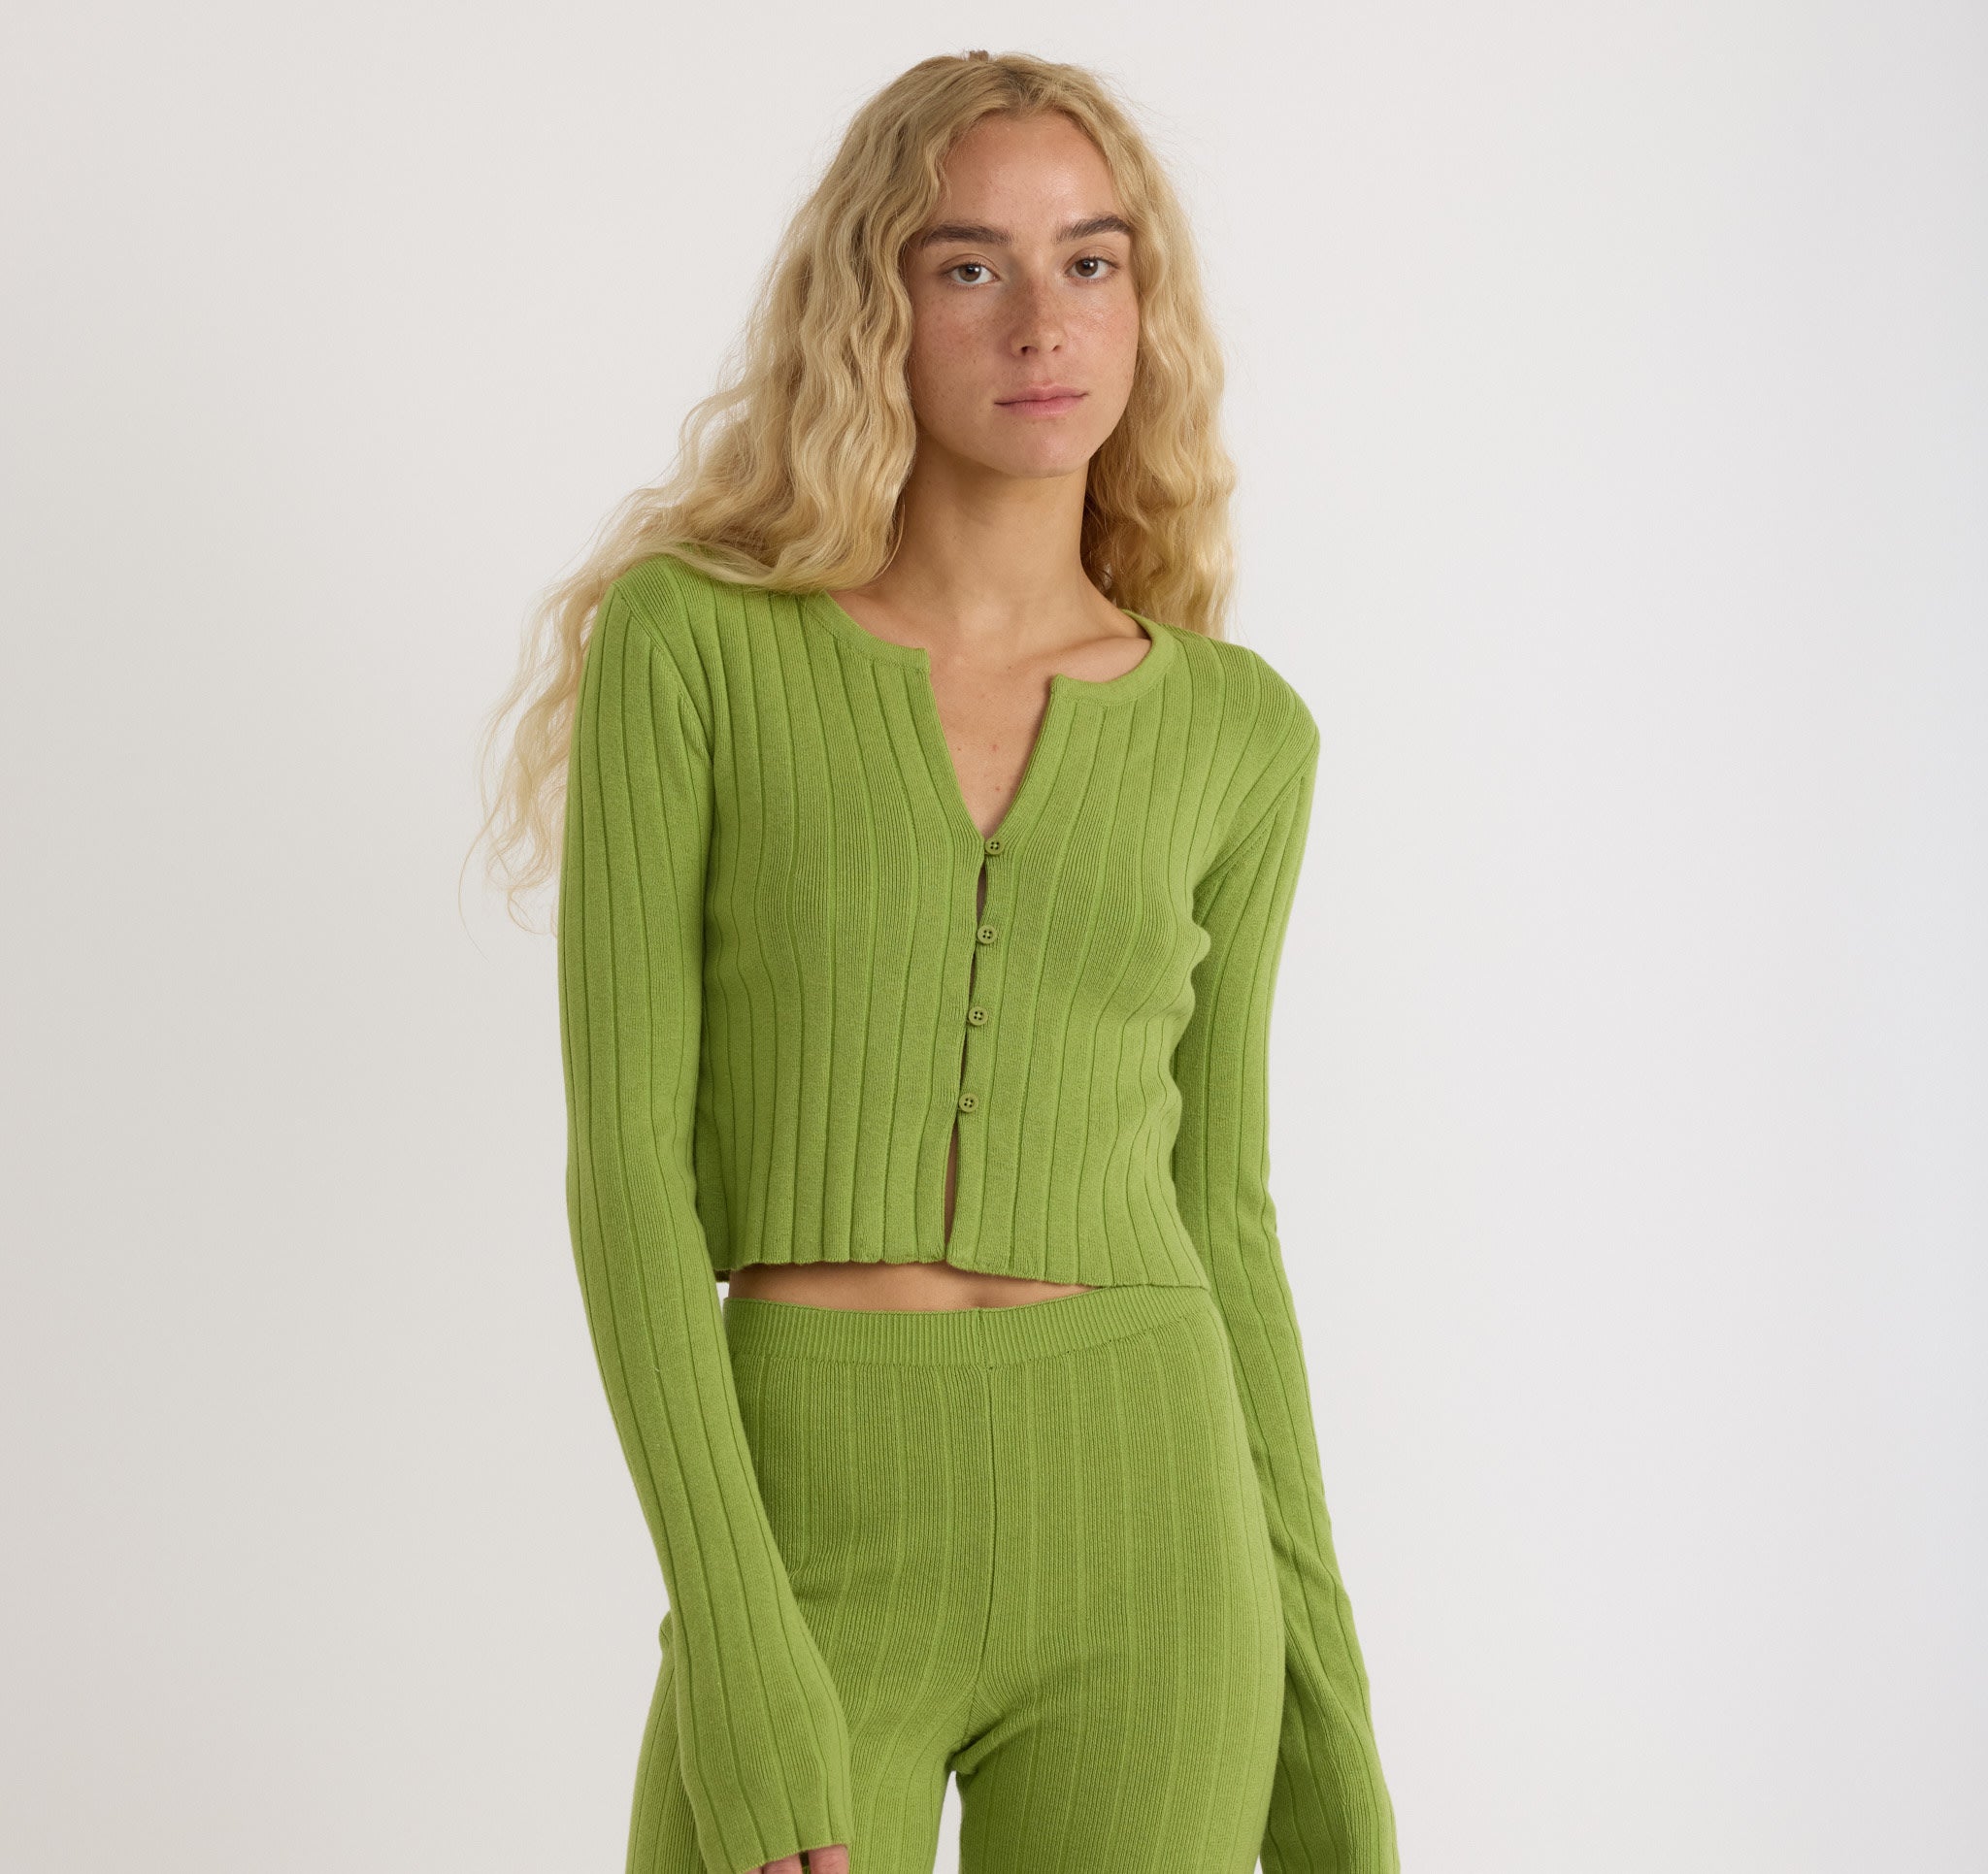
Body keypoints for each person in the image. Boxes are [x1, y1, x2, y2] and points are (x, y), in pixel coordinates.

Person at [478, 48, 1399, 1874]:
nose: (1041, 321)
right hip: (817, 1516)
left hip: (1152, 1519)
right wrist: (737, 1658)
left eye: (1091, 261)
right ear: (872, 308)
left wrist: (1330, 1745)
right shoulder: (695, 647)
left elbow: (1225, 1222)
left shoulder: (1242, 734)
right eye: (969, 263)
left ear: (1144, 308)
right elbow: (628, 1179)